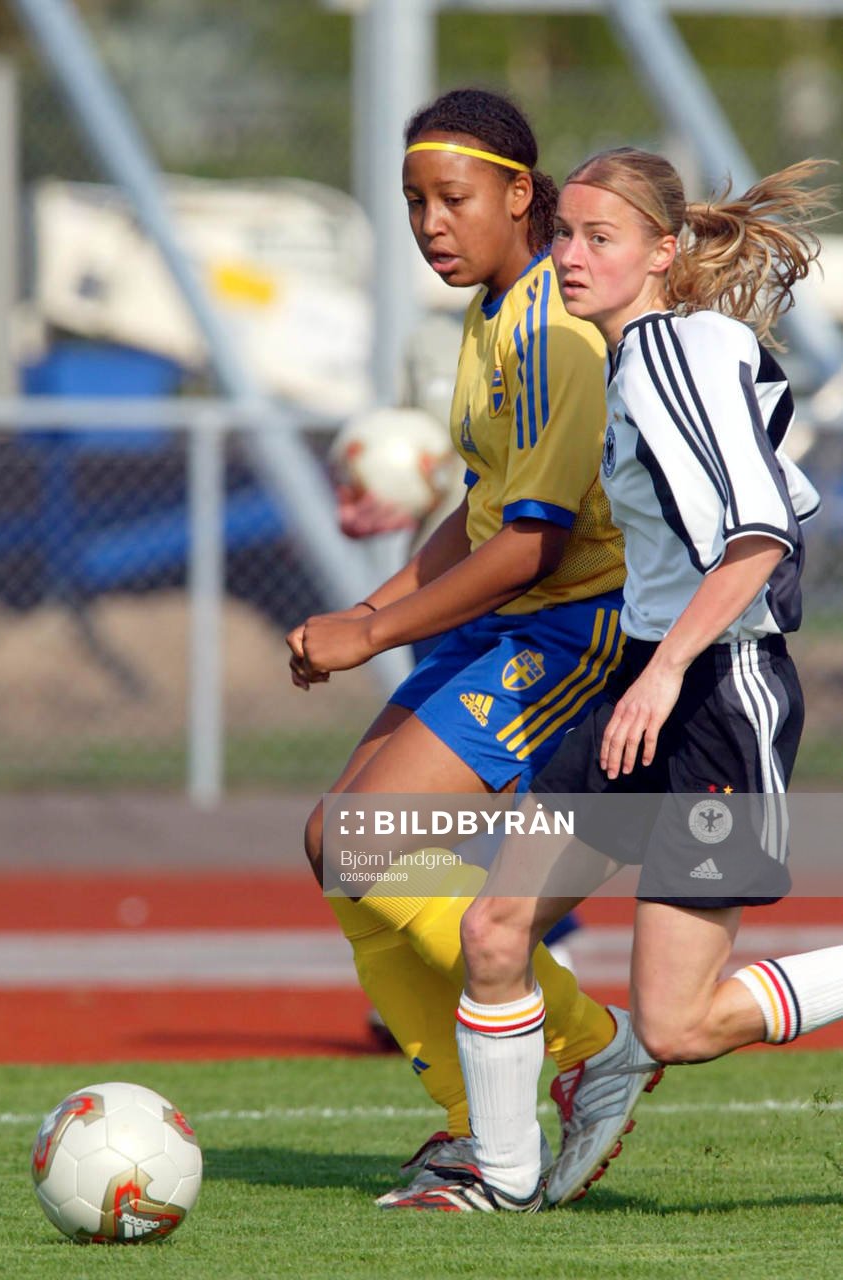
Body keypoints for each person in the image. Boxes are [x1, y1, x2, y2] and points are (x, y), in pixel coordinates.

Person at [411, 146, 843, 1213]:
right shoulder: (635, 359)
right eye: (564, 233)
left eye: (599, 237)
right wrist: (646, 675)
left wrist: (666, 674)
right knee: (494, 928)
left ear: (662, 252)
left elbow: (758, 537)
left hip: (718, 697)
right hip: (643, 686)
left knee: (677, 1025)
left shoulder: (671, 352)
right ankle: (500, 1178)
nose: (570, 254)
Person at [286, 89, 641, 1209]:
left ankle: (592, 1046)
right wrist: (370, 608)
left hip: (569, 627)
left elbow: (533, 544)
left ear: (520, 193)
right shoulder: (493, 315)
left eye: (452, 198)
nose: (430, 224)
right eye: (413, 203)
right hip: (504, 620)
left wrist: (374, 632)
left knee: (374, 842)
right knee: (338, 843)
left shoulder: (553, 330)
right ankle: (462, 1116)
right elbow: (482, 508)